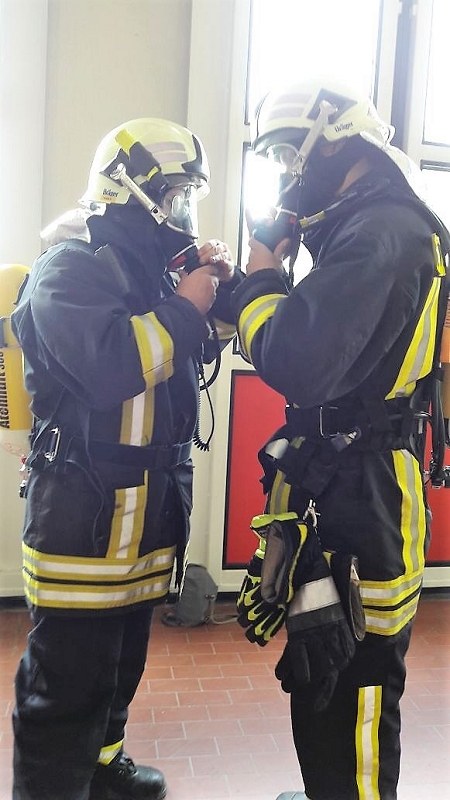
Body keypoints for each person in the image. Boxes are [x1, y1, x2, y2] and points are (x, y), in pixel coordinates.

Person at [10, 117, 242, 800]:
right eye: (173, 194)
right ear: (130, 189)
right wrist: (185, 306)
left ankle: (103, 769)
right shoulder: (69, 266)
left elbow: (183, 352)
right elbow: (111, 366)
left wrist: (215, 293)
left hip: (142, 516)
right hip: (83, 519)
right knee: (65, 685)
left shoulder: (149, 271)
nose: (183, 210)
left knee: (119, 665)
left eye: (188, 195)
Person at [231, 79, 450, 800]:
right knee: (327, 664)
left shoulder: (382, 232)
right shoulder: (368, 228)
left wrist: (262, 277)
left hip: (366, 493)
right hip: (349, 482)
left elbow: (296, 358)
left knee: (356, 682)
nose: (284, 173)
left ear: (333, 144)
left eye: (288, 155)